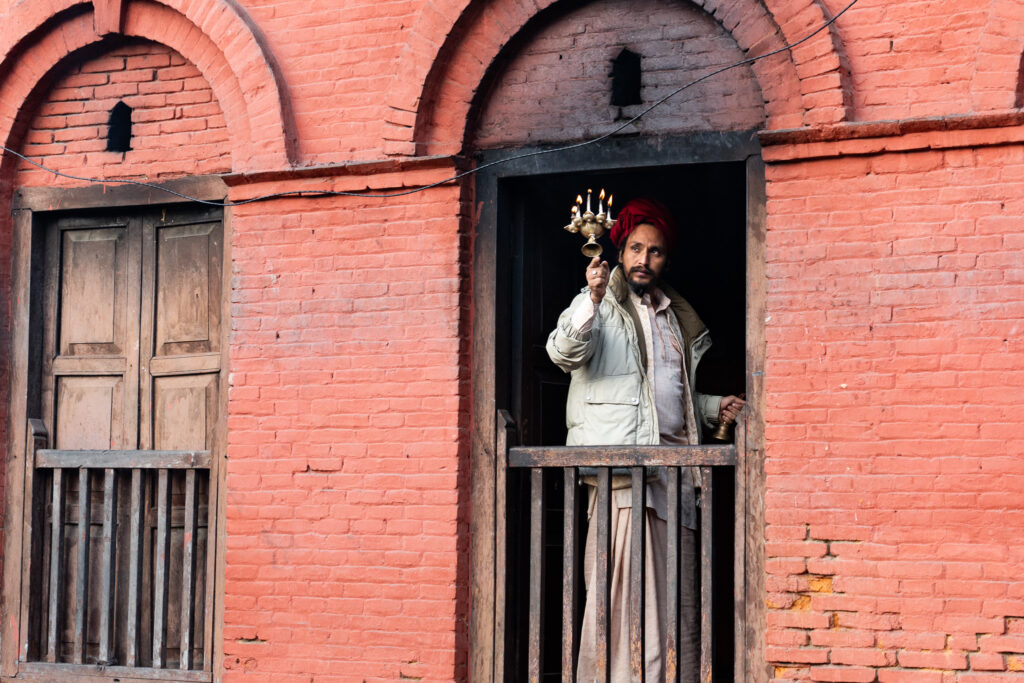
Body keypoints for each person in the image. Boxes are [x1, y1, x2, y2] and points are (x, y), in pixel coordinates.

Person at [545, 198, 744, 682]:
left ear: (665, 260)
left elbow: (664, 396)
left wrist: (713, 405)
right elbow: (563, 352)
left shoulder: (674, 319)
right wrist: (590, 298)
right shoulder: (600, 307)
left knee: (675, 600)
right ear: (620, 250)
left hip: (675, 479)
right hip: (623, 481)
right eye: (635, 248)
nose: (643, 259)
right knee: (623, 600)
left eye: (654, 251)